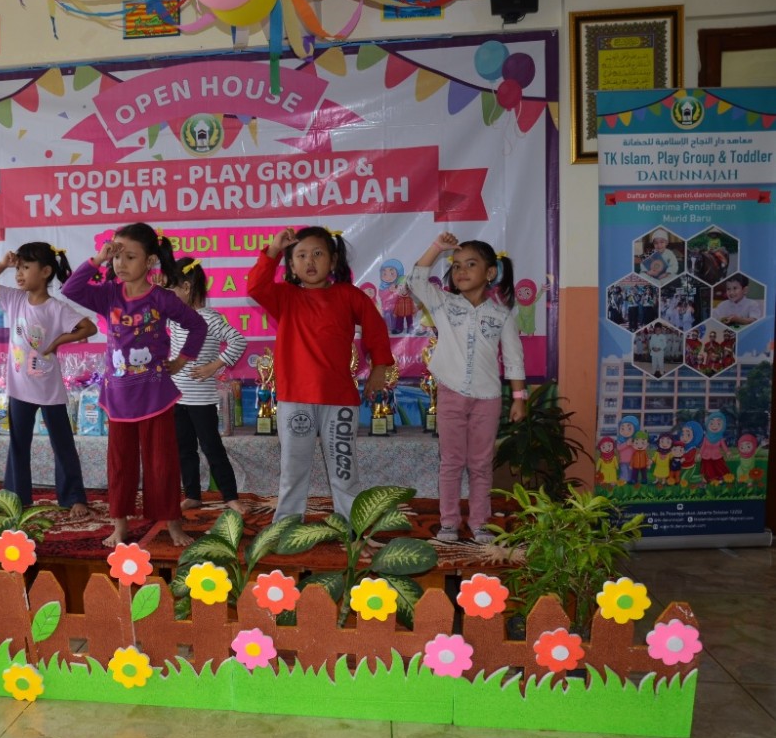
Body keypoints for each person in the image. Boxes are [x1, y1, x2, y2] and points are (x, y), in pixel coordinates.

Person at [61, 222, 206, 547]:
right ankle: (120, 527)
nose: (120, 263)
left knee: (162, 465)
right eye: (116, 256)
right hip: (118, 400)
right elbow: (71, 289)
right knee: (121, 467)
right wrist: (97, 259)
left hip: (156, 397)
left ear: (151, 261)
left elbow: (196, 327)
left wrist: (182, 360)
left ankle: (172, 523)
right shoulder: (109, 295)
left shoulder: (161, 298)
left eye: (129, 257)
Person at [248, 226, 394, 522]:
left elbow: (376, 329)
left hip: (339, 399)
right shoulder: (284, 297)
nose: (309, 261)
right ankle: (287, 523)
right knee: (293, 468)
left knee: (344, 467)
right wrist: (274, 250)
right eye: (300, 256)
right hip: (294, 400)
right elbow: (255, 287)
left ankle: (353, 524)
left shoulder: (348, 295)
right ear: (291, 265)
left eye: (317, 254)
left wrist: (380, 367)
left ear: (333, 260)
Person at [408, 232, 526, 544]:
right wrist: (437, 248)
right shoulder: (444, 303)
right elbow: (416, 280)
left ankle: (480, 525)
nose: (461, 271)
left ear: (489, 273)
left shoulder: (502, 314)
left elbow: (514, 358)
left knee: (480, 464)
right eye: (456, 265)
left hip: (488, 398)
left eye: (470, 265)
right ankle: (449, 523)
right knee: (451, 462)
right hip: (451, 394)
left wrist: (518, 397)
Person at [0, 243, 98, 519]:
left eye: (25, 268)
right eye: (17, 268)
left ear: (45, 271)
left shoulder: (55, 307)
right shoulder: (15, 299)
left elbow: (88, 327)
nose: (19, 274)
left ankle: (73, 497)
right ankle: (16, 497)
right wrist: (2, 264)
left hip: (49, 390)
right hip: (19, 388)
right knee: (19, 443)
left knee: (62, 443)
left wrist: (58, 341)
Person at [166, 257, 248, 516]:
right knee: (184, 449)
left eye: (174, 289)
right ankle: (192, 495)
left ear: (187, 287)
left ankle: (231, 496)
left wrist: (215, 365)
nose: (171, 296)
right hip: (177, 399)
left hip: (201, 401)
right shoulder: (175, 318)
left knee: (212, 448)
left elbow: (237, 340)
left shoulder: (210, 318)